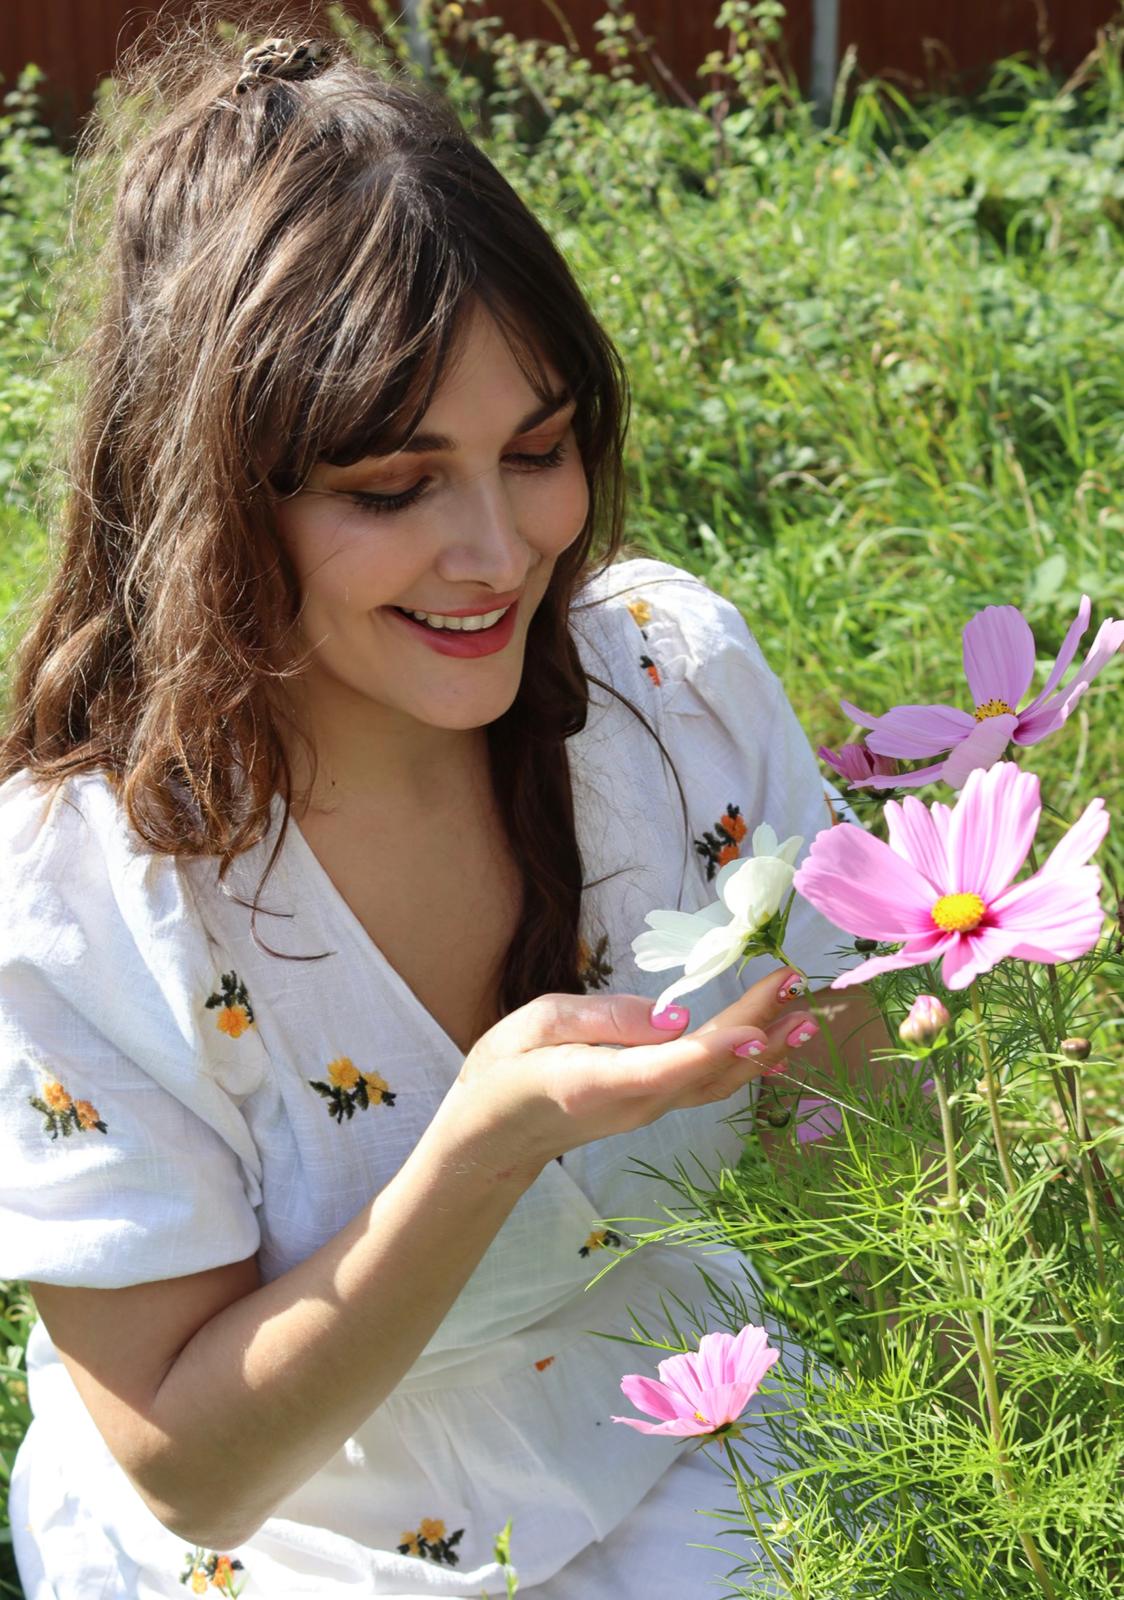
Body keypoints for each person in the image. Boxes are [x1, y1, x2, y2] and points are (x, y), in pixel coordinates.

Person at [0, 21, 880, 1599]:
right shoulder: (85, 893)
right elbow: (195, 1477)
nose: (497, 552)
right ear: (215, 499)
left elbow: (866, 1142)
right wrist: (483, 1149)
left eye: (537, 451)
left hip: (666, 1422)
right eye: (393, 488)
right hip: (295, 1537)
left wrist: (956, 1002)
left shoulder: (671, 687)